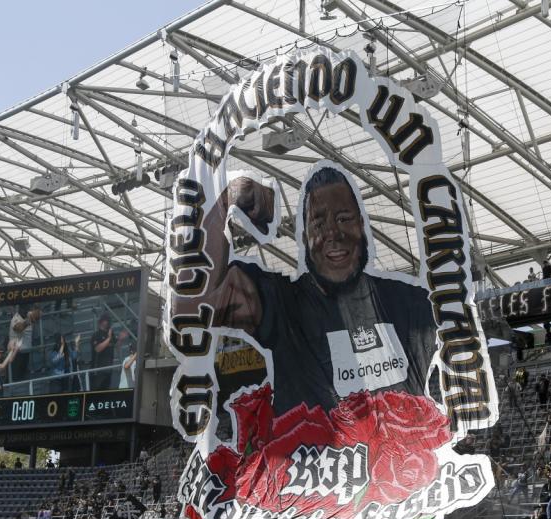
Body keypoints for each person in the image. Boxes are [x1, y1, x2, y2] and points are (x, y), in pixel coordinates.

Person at [177, 165, 438, 417]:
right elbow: (200, 298)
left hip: (406, 460)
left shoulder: (411, 304)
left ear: (362, 226)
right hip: (312, 458)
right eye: (319, 224)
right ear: (304, 239)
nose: (333, 233)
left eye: (344, 219)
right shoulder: (283, 304)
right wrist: (229, 199)